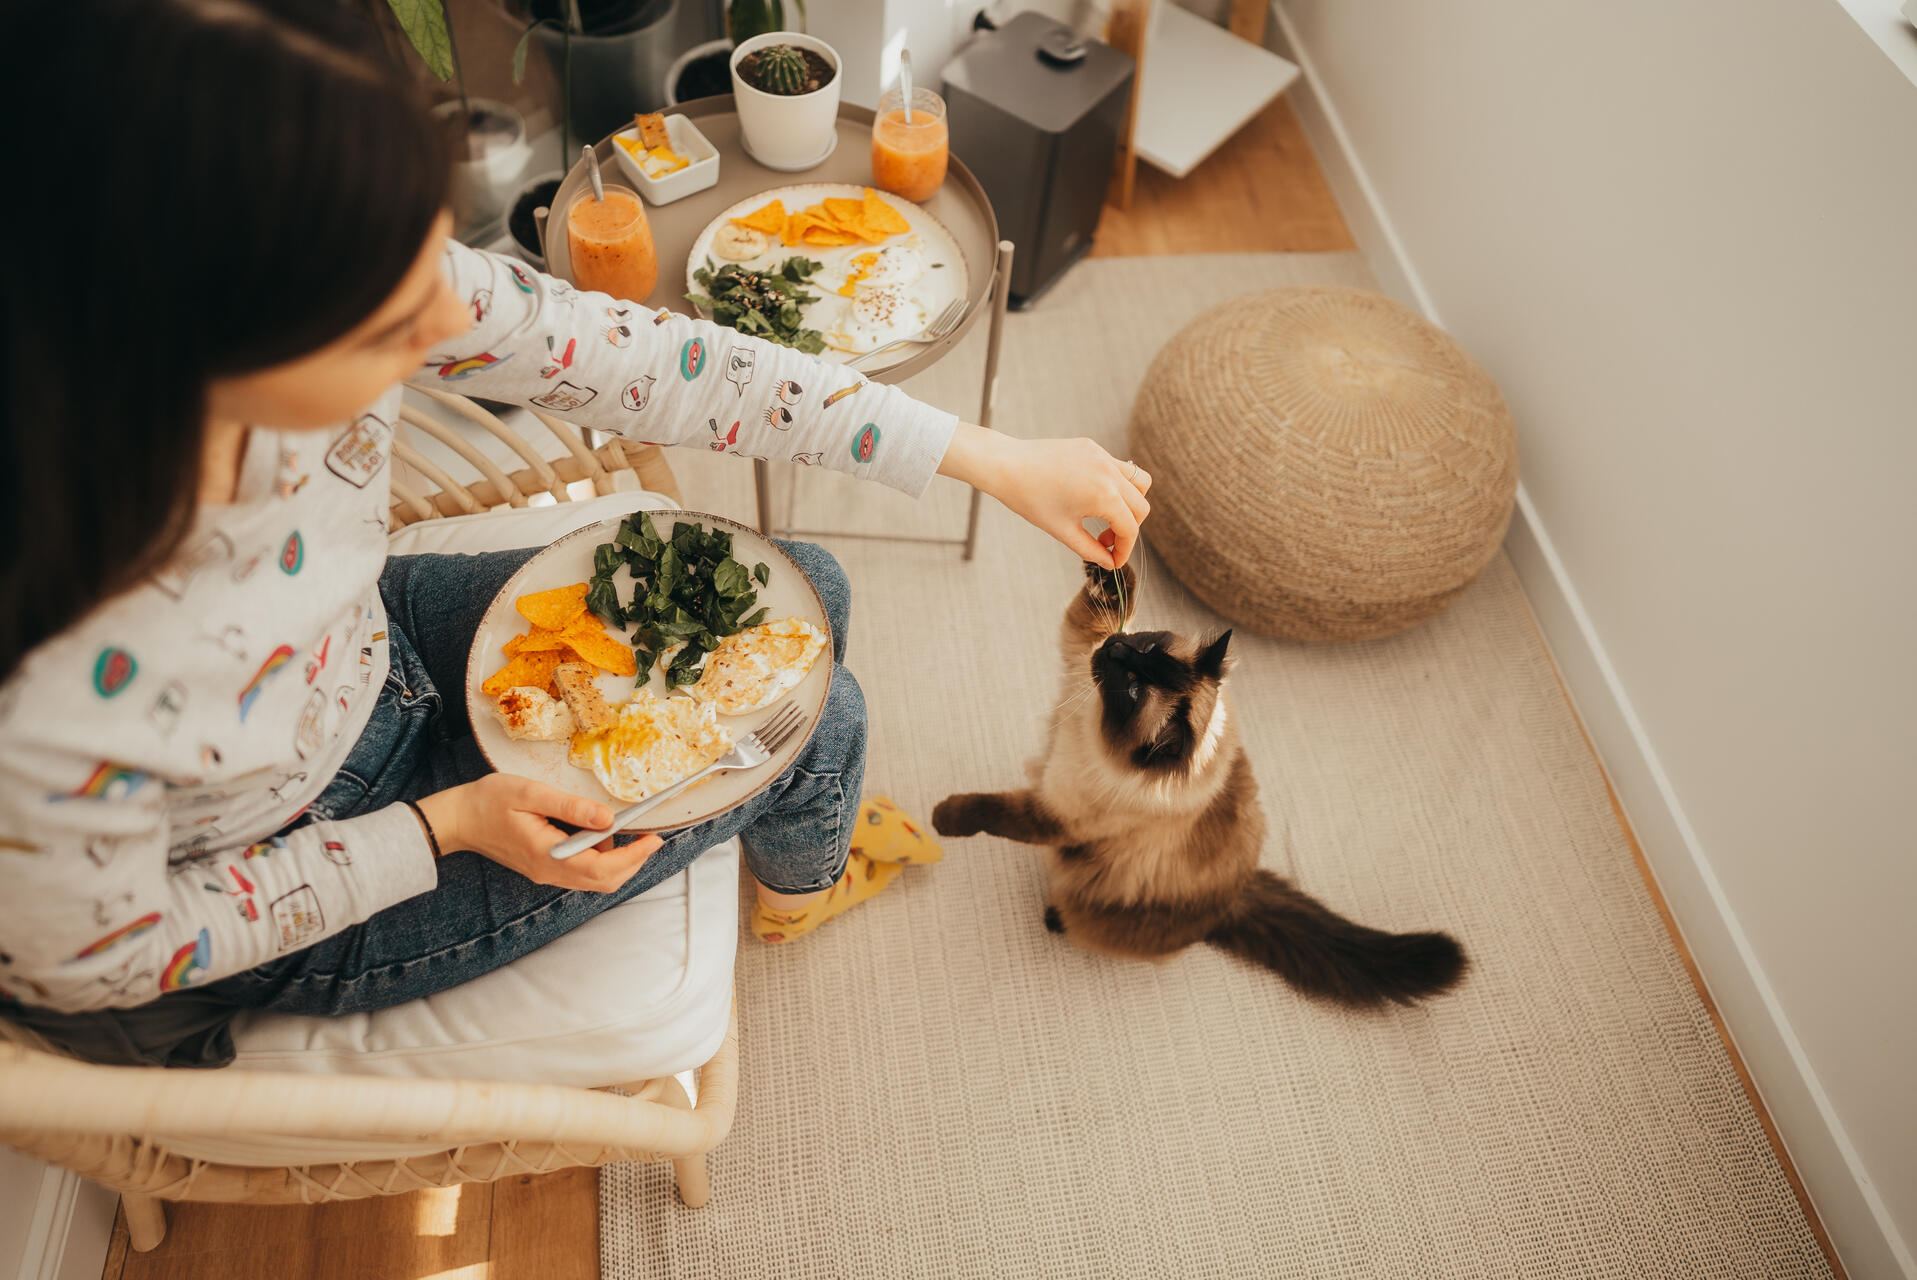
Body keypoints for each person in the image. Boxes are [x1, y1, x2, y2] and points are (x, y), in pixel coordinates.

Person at [0, 0, 1152, 1067]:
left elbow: (641, 359)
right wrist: (445, 826)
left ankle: (793, 829)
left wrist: (984, 455)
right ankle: (804, 887)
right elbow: (98, 954)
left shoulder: (300, 249)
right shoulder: (54, 682)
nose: (455, 321)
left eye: (431, 254)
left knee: (812, 590)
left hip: (363, 650)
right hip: (283, 884)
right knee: (827, 717)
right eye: (395, 317)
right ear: (185, 349)